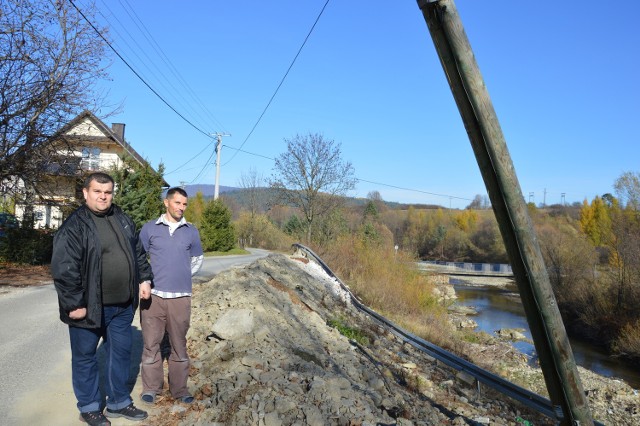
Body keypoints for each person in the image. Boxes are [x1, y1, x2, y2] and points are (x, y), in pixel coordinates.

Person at [51, 172, 152, 426]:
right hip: (89, 308)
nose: (103, 196)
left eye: (107, 192)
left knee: (120, 354)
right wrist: (73, 303)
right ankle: (90, 407)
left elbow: (137, 252)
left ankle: (119, 401)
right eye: (97, 191)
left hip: (122, 306)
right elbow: (64, 268)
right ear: (85, 193)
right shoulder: (75, 225)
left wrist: (145, 279)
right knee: (85, 357)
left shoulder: (121, 218)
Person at [138, 187, 203, 405]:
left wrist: (181, 274)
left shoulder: (191, 231)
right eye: (177, 203)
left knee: (179, 345)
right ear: (166, 203)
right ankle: (151, 388)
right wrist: (145, 280)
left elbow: (196, 260)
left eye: (184, 204)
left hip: (181, 298)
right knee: (151, 344)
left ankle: (180, 390)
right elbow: (138, 258)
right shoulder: (149, 229)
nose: (181, 207)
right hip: (153, 298)